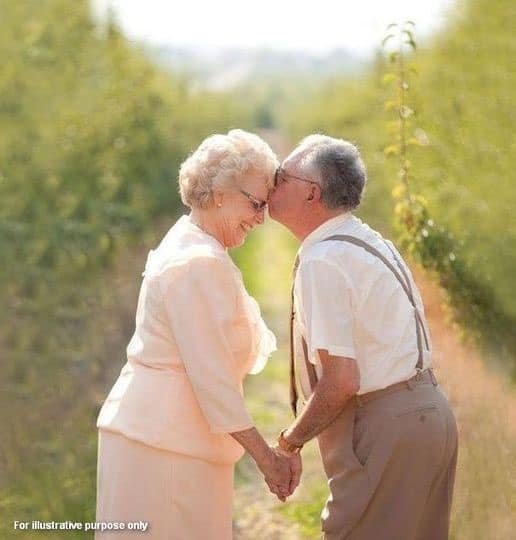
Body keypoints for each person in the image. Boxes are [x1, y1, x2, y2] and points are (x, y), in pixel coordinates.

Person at [95, 129, 299, 539]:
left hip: (160, 438)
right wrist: (268, 459)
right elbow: (213, 380)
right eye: (257, 204)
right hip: (166, 447)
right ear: (221, 192)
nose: (261, 219)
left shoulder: (189, 240)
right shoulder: (199, 262)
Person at [269, 134, 458, 540]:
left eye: (282, 175)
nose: (272, 181)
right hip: (431, 415)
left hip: (388, 427)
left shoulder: (323, 260)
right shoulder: (369, 241)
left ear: (310, 194)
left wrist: (290, 442)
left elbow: (342, 380)